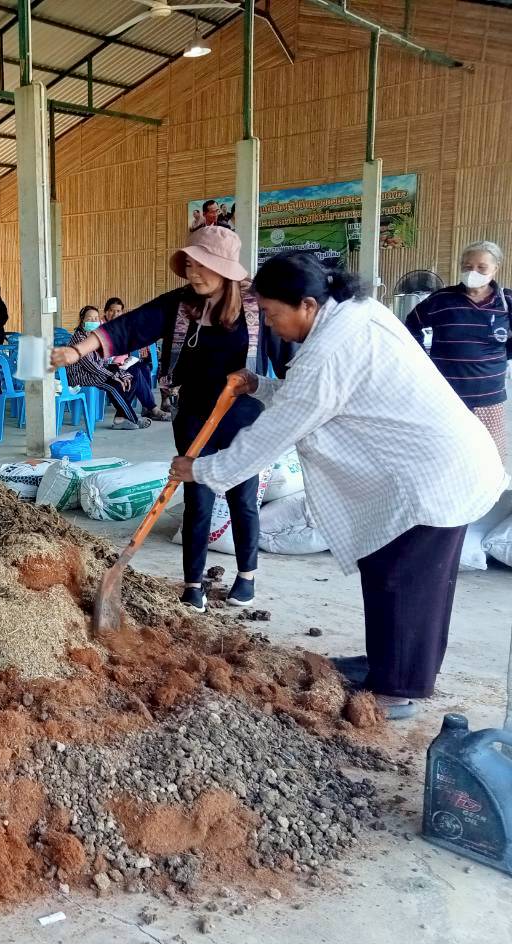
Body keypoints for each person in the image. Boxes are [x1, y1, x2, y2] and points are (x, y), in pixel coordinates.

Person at [170, 252, 507, 719]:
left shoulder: (329, 350)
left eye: (271, 313)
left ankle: (397, 690)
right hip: (419, 468)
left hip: (432, 476)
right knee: (386, 571)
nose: (269, 324)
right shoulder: (352, 315)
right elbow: (317, 397)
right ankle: (385, 663)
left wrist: (202, 470)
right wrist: (261, 385)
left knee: (407, 581)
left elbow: (279, 429)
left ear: (307, 305)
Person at [52, 227, 269, 612]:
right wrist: (78, 350)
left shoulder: (257, 308)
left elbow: (289, 361)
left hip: (243, 417)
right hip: (193, 413)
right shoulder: (181, 304)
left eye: (201, 265)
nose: (193, 273)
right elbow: (130, 326)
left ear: (224, 269)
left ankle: (246, 576)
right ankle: (193, 584)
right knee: (197, 498)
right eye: (189, 264)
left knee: (241, 496)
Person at [406, 240, 511, 462]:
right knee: (446, 454)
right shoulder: (441, 300)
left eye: (481, 267)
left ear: (496, 268)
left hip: (488, 396)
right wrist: (422, 360)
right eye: (466, 266)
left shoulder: (506, 301)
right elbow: (411, 325)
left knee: (488, 457)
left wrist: (497, 360)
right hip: (446, 395)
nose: (472, 272)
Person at [97, 297, 170, 427]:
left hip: (122, 363)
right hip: (109, 365)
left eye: (118, 311)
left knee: (144, 368)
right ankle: (152, 408)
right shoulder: (101, 327)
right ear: (105, 311)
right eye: (111, 311)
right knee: (135, 372)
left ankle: (147, 408)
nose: (115, 314)